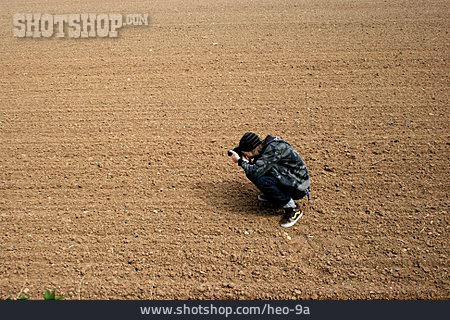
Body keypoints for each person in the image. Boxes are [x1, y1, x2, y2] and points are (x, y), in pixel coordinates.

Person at [228, 132, 310, 228]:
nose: (245, 156)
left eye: (245, 154)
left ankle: (293, 209)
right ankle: (276, 196)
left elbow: (254, 171)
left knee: (261, 179)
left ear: (251, 150)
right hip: (291, 179)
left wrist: (240, 161)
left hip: (299, 188)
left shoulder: (273, 149)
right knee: (254, 172)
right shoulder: (265, 146)